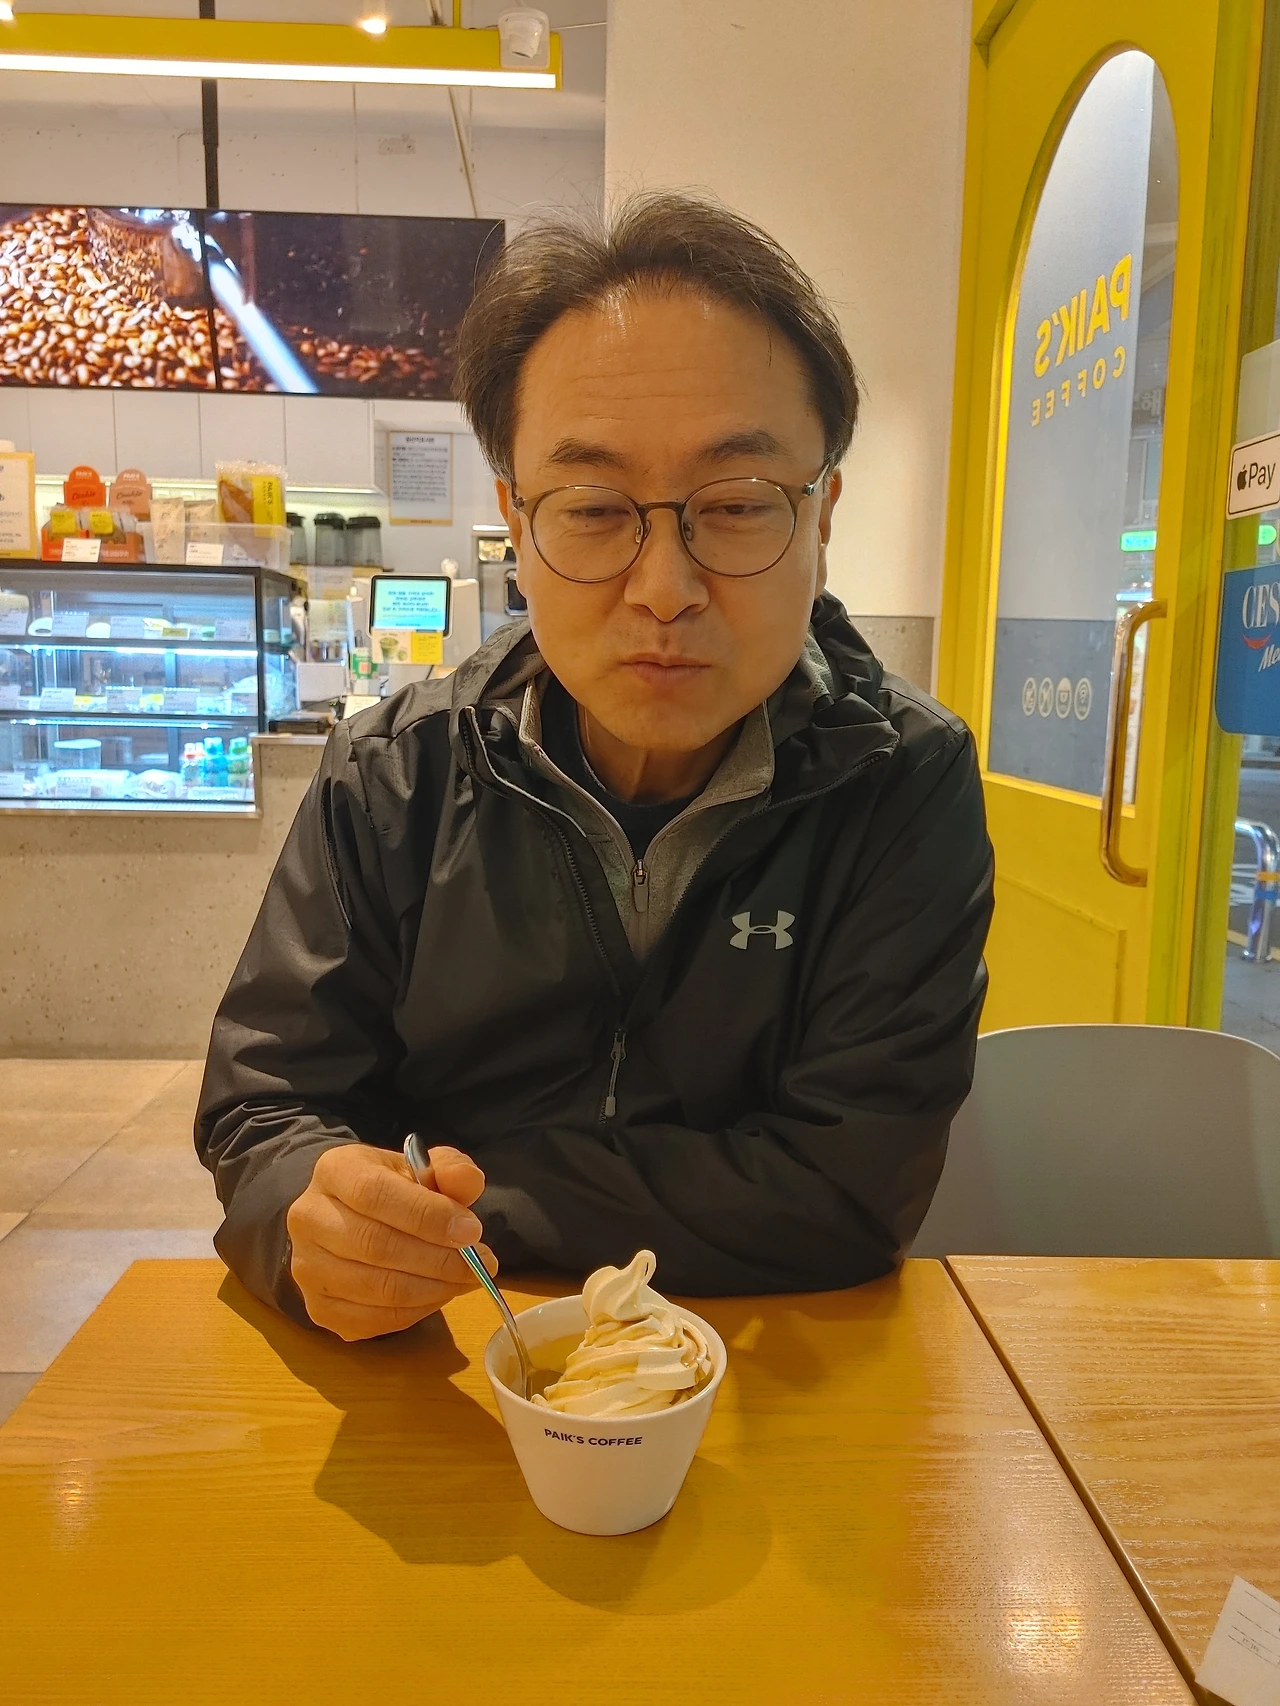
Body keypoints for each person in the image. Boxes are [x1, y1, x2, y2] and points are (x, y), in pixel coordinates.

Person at [196, 191, 994, 1342]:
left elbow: (847, 1187)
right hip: (441, 1364)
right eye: (592, 508)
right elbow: (268, 1106)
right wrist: (311, 1218)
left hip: (770, 1370)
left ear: (822, 514)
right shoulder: (393, 774)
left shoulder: (901, 780)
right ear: (517, 526)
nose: (663, 588)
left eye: (736, 503)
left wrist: (479, 1203)